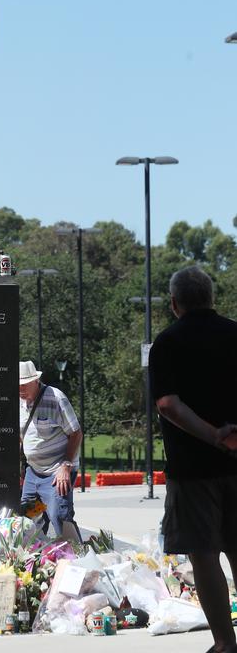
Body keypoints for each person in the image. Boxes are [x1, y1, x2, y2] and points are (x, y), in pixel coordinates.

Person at [150, 266, 237, 653]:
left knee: (204, 557)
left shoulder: (167, 343)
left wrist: (212, 436)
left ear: (174, 304)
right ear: (211, 298)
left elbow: (168, 404)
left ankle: (224, 642)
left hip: (192, 470)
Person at [18, 360, 82, 541]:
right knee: (30, 520)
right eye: (18, 386)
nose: (20, 389)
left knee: (59, 516)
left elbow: (76, 433)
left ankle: (78, 559)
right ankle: (36, 560)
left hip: (57, 472)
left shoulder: (55, 398)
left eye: (24, 385)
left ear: (35, 381)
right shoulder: (18, 402)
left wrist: (66, 465)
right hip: (34, 472)